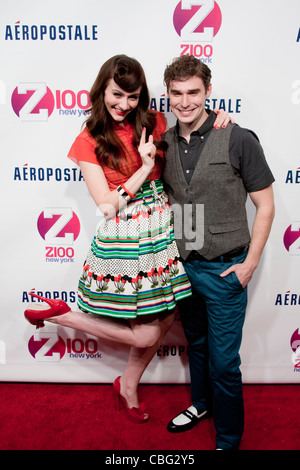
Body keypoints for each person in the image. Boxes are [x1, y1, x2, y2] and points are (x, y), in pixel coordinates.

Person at [24, 54, 231, 424]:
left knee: (166, 318)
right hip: (125, 238)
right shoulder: (87, 140)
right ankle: (65, 316)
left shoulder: (154, 122)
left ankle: (128, 385)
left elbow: (193, 122)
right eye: (117, 94)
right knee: (144, 333)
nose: (124, 104)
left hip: (163, 232)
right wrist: (146, 169)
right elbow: (106, 206)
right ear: (102, 89)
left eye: (132, 97)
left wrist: (221, 119)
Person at [163, 55, 275, 449]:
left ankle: (227, 440)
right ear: (168, 95)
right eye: (176, 93)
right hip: (184, 268)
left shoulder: (238, 137)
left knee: (225, 364)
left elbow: (266, 205)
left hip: (228, 269)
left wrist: (250, 264)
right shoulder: (163, 142)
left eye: (193, 92)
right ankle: (200, 404)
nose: (185, 101)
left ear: (209, 92)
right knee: (197, 345)